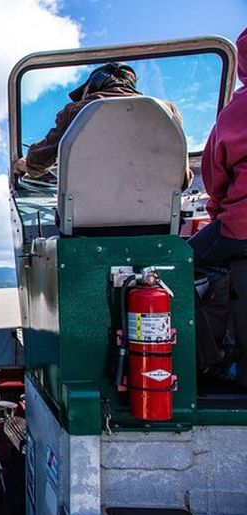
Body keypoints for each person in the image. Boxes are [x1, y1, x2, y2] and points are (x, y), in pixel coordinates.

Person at [14, 62, 189, 183]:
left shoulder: (76, 110)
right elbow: (183, 178)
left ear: (94, 86)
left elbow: (39, 161)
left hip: (83, 220)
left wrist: (26, 164)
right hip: (157, 217)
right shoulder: (167, 111)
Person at [188, 27, 247, 382]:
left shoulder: (237, 110)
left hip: (241, 224)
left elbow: (216, 177)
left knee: (179, 266)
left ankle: (211, 361)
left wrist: (220, 217)